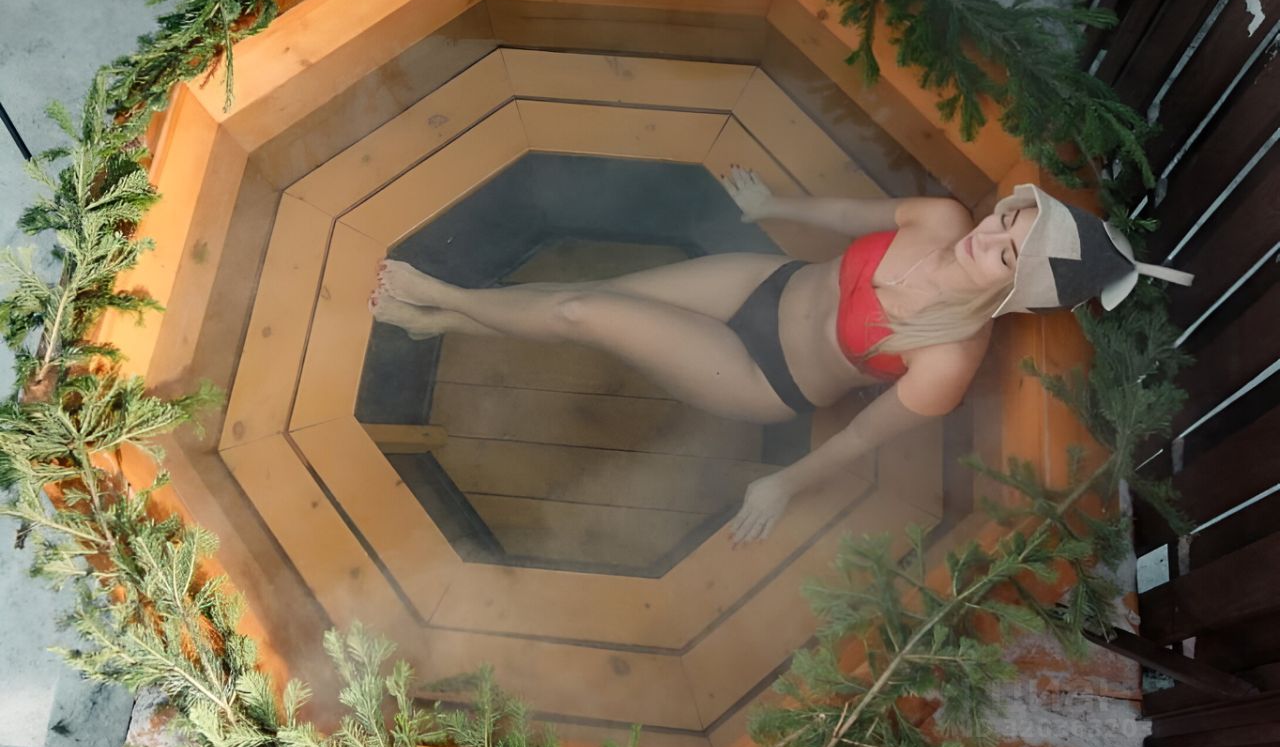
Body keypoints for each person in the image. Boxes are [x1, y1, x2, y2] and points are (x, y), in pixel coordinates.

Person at [369, 168, 1191, 545]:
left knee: (583, 310)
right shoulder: (942, 219)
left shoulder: (949, 359)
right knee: (600, 297)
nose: (990, 236)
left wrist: (783, 483)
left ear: (1015, 292)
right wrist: (776, 205)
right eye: (1010, 221)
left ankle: (443, 297)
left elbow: (861, 438)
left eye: (1008, 254)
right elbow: (853, 215)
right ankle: (445, 325)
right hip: (764, 282)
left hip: (761, 375)